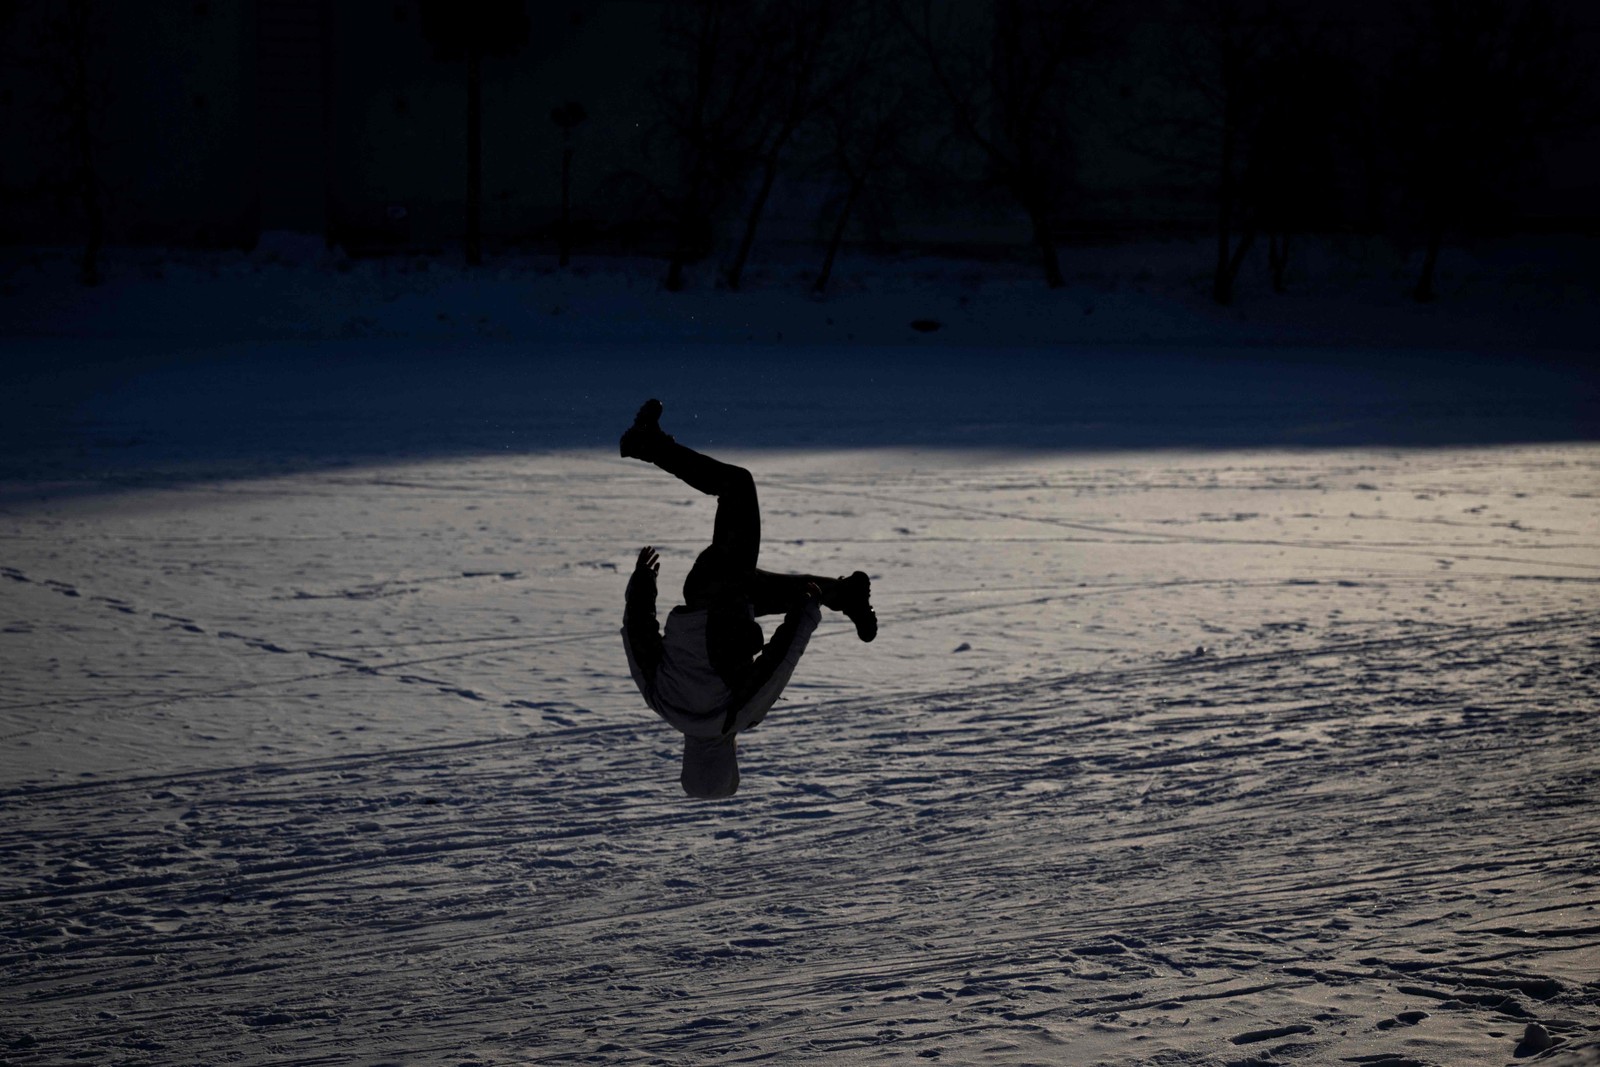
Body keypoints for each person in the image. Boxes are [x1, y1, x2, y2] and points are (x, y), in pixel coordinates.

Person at [618, 399, 877, 798]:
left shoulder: (737, 714)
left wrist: (805, 616)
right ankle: (845, 595)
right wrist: (642, 584)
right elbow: (638, 638)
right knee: (767, 591)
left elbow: (778, 664)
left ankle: (647, 443)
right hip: (712, 593)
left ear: (727, 758)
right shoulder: (662, 702)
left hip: (725, 593)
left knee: (738, 486)